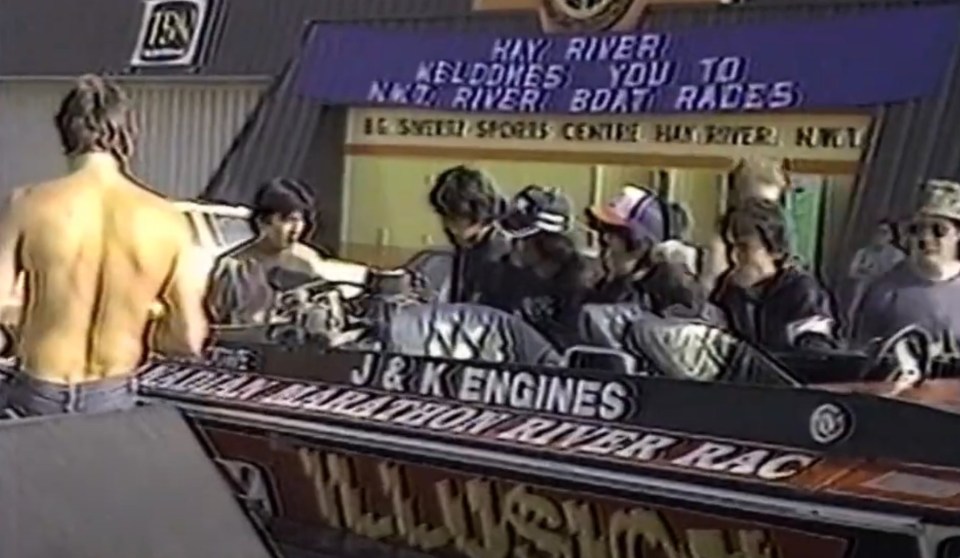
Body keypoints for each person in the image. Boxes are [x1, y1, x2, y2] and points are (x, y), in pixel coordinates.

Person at [0, 75, 208, 416]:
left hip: (38, 392)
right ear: (127, 135)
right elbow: (189, 338)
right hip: (113, 395)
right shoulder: (168, 220)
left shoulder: (25, 204)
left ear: (65, 131)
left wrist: (24, 327)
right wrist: (139, 328)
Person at [712, 198, 837, 351]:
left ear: (775, 250)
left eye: (743, 247)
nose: (733, 257)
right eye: (729, 246)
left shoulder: (802, 293)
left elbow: (816, 355)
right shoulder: (729, 292)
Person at [853, 180, 960, 349]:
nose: (926, 238)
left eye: (938, 230)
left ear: (957, 234)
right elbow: (862, 353)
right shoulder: (885, 293)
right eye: (917, 229)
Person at [207, 178, 327, 324]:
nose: (296, 229)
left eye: (301, 220)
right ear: (263, 221)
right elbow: (218, 319)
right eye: (288, 220)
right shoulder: (235, 267)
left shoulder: (307, 261)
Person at [495, 185, 586, 349]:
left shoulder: (580, 286)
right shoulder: (504, 274)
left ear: (552, 242)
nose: (515, 246)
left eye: (525, 239)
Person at [427, 165, 509, 303]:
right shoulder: (466, 249)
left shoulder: (503, 256)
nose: (448, 226)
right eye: (444, 216)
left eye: (455, 217)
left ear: (477, 212)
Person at [584, 185, 667, 306]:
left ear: (640, 245)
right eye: (601, 229)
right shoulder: (602, 285)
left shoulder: (650, 302)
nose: (605, 238)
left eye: (614, 232)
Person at [843, 220, 905, 326]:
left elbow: (898, 277)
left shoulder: (897, 255)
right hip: (864, 288)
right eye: (877, 232)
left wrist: (870, 272)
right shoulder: (863, 253)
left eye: (884, 232)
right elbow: (852, 272)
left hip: (886, 291)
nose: (880, 236)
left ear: (891, 236)